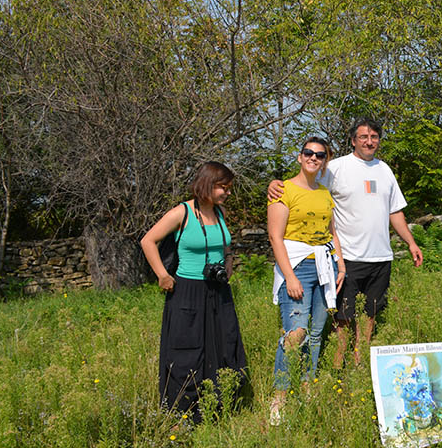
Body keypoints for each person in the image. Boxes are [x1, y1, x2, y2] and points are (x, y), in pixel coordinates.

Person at [268, 119, 423, 368]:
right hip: (347, 256)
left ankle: (360, 362)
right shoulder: (337, 167)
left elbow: (395, 212)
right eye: (363, 137)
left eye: (374, 137)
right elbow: (307, 182)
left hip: (381, 256)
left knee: (370, 313)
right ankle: (338, 364)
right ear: (353, 140)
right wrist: (275, 185)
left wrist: (411, 243)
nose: (369, 141)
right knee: (343, 317)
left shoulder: (385, 170)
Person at [140, 162, 248, 423]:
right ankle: (184, 412)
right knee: (188, 350)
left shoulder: (220, 212)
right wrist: (163, 275)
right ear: (207, 184)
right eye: (224, 187)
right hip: (187, 291)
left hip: (218, 290)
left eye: (229, 188)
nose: (227, 193)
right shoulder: (182, 212)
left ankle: (220, 405)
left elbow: (224, 245)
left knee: (224, 344)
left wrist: (228, 263)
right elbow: (148, 241)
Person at [267, 137, 345, 424]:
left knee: (315, 335)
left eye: (320, 155)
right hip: (297, 266)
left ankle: (307, 386)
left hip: (325, 266)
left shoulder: (324, 193)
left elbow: (331, 232)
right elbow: (275, 236)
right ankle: (280, 398)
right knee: (295, 334)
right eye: (308, 153)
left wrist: (341, 264)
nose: (314, 158)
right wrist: (289, 276)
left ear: (325, 160)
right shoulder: (282, 190)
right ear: (299, 157)